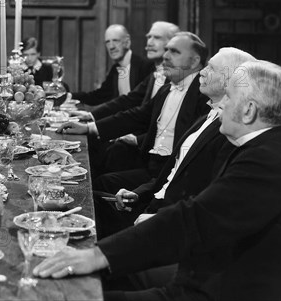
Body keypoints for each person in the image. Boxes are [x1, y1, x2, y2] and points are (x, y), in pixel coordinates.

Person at [35, 60, 281, 301]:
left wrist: (97, 255)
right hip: (207, 277)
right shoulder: (267, 147)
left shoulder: (271, 160)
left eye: (228, 96)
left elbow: (195, 218)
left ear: (249, 111)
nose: (221, 104)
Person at [94, 48, 255, 241]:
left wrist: (160, 219)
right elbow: (174, 172)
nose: (202, 72)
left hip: (169, 220)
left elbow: (205, 192)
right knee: (89, 198)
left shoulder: (229, 131)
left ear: (230, 81)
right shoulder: (206, 117)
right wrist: (138, 193)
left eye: (211, 68)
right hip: (153, 203)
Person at [61, 32, 209, 183]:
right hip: (151, 163)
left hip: (174, 174)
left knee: (101, 180)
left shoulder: (204, 93)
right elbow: (137, 115)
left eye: (174, 51)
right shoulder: (166, 90)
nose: (165, 56)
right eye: (167, 50)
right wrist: (88, 128)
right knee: (91, 166)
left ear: (195, 61)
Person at [70, 25, 154, 107]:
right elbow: (99, 96)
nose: (111, 47)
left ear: (127, 42)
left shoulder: (145, 66)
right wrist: (69, 96)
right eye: (107, 42)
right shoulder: (115, 69)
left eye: (115, 41)